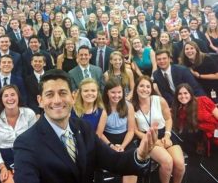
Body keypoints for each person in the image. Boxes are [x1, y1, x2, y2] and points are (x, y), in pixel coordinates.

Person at [13, 69, 158, 183]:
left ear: (73, 97)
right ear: (40, 100)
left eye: (63, 93)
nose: (57, 100)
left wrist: (140, 155)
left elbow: (114, 161)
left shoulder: (84, 128)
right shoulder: (25, 143)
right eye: (50, 94)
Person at [133, 76, 185, 183]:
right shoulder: (131, 106)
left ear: (151, 89)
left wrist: (167, 135)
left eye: (148, 86)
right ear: (136, 88)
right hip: (146, 138)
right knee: (167, 162)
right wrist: (155, 141)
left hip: (164, 133)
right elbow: (135, 131)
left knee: (180, 164)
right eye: (141, 86)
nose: (145, 89)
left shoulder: (159, 100)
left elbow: (168, 119)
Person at [0, 85, 36, 183]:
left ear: (18, 96)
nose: (10, 98)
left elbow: (34, 141)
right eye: (6, 96)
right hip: (3, 160)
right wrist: (2, 167)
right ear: (1, 99)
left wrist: (25, 164)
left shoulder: (29, 114)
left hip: (26, 157)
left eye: (13, 95)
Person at [101, 78, 137, 183]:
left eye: (119, 92)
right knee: (115, 161)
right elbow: (100, 133)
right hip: (107, 138)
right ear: (107, 92)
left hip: (126, 138)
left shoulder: (128, 106)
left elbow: (131, 130)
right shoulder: (101, 107)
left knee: (131, 161)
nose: (116, 95)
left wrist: (122, 146)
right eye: (113, 92)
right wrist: (111, 145)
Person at [172, 83, 218, 154]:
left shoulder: (203, 100)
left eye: (185, 93)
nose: (183, 96)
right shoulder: (180, 111)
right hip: (206, 141)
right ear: (176, 96)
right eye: (180, 94)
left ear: (190, 94)